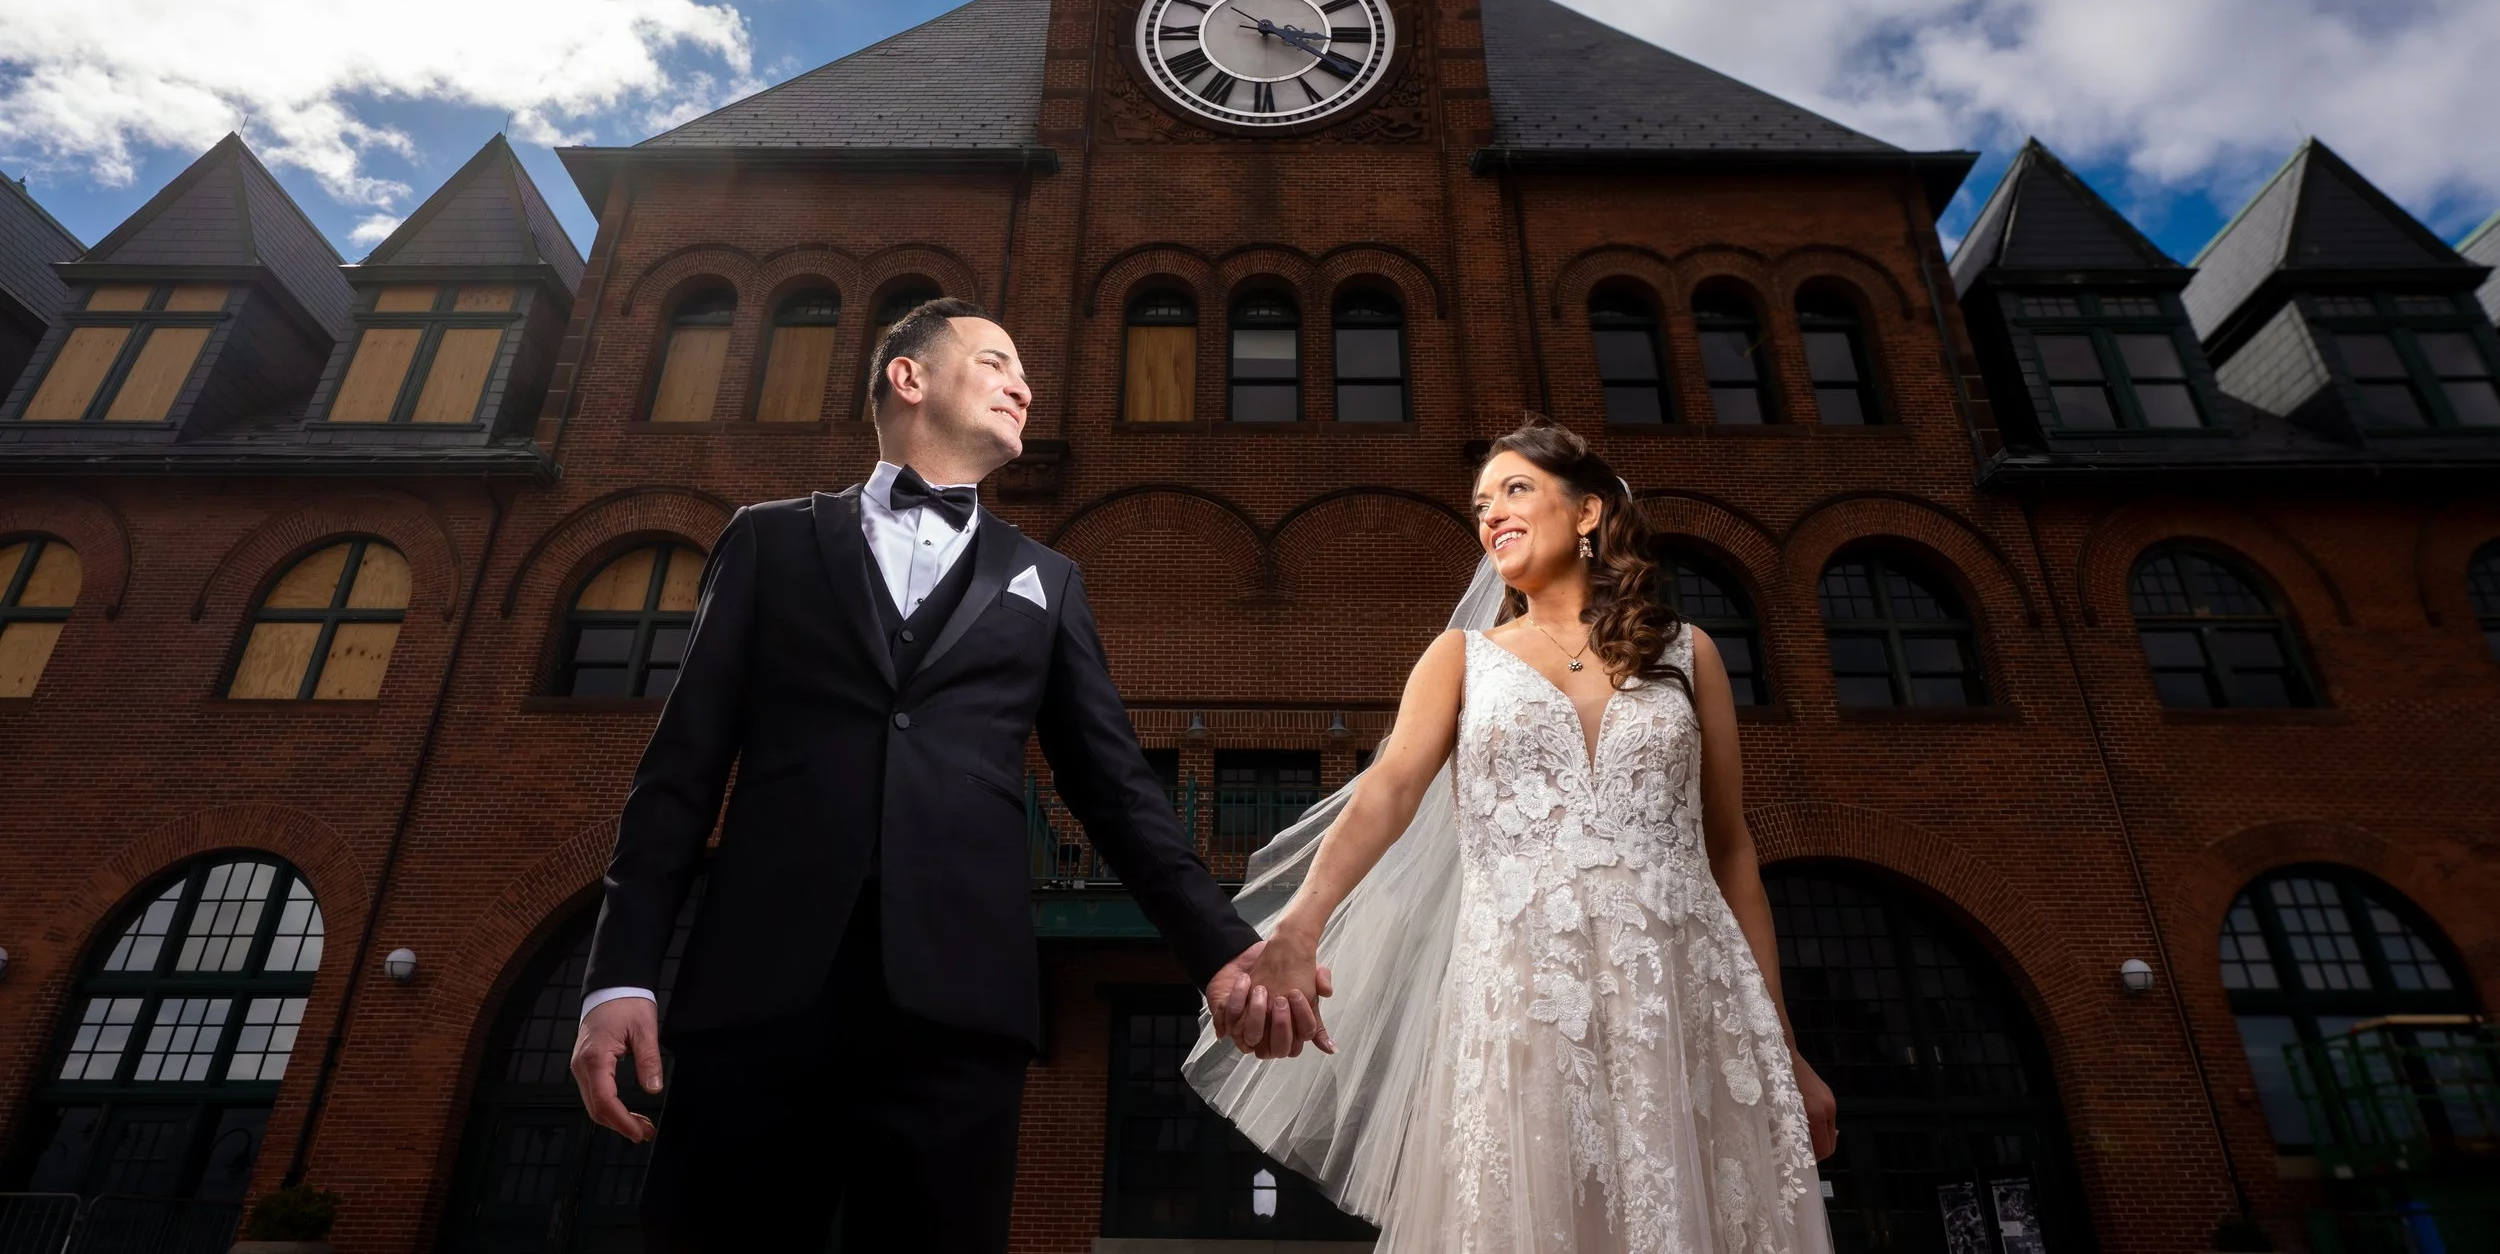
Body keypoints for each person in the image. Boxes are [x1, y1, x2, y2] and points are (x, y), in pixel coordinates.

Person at [567, 298, 1314, 1252]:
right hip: (761, 991)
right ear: (907, 378)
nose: (1025, 385)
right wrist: (618, 974)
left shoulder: (1048, 580)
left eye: (1025, 373)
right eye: (996, 361)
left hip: (961, 1006)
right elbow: (679, 773)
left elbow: (1117, 790)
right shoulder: (769, 541)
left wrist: (1220, 948)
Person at [1190, 420, 1841, 1254]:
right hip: (1529, 990)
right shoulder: (1462, 658)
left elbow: (1729, 850)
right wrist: (1300, 926)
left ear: (1588, 512)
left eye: (1516, 490)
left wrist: (1783, 1044)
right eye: (1480, 503)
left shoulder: (1691, 654)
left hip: (1686, 990)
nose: (1490, 512)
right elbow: (1388, 793)